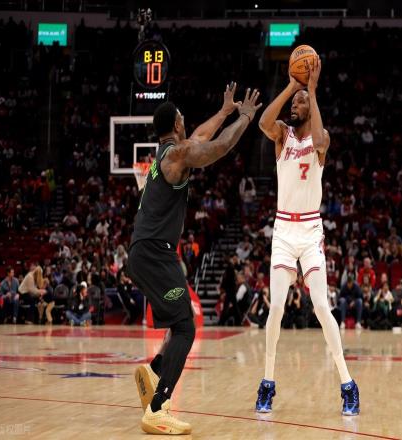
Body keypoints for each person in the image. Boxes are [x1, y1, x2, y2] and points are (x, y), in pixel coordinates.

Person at [126, 82, 262, 434]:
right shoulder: (176, 156)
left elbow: (200, 135)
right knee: (186, 326)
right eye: (183, 117)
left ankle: (154, 371)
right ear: (175, 124)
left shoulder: (166, 153)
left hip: (145, 253)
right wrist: (245, 119)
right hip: (155, 254)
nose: (187, 121)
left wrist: (224, 111)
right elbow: (219, 146)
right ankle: (158, 407)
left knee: (179, 321)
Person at [255, 57, 359, 416]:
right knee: (276, 308)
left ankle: (348, 384)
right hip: (284, 230)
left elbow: (317, 137)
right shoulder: (281, 135)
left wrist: (311, 91)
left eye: (300, 102)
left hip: (311, 230)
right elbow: (263, 121)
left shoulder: (321, 139)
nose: (295, 105)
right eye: (294, 102)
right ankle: (267, 382)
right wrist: (291, 86)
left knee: (320, 306)